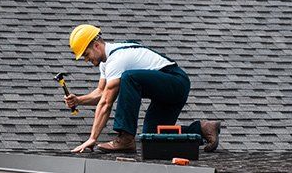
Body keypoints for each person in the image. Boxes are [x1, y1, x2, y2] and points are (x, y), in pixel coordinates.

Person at [65, 24, 221, 154]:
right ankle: (202, 129)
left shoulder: (117, 59)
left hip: (175, 81)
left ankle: (125, 138)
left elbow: (106, 102)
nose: (86, 59)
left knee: (129, 78)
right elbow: (101, 93)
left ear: (97, 45)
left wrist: (93, 138)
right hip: (165, 89)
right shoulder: (107, 62)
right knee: (151, 138)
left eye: (86, 54)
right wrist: (79, 100)